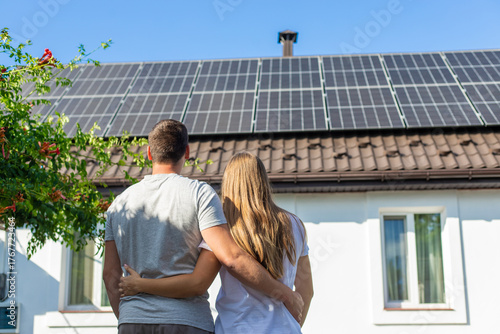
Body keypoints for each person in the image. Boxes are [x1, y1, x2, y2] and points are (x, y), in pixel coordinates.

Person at [103, 120, 303, 334]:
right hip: (186, 322)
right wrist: (285, 293)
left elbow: (110, 275)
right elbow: (231, 259)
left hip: (132, 321)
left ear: (149, 153)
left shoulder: (119, 205)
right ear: (186, 152)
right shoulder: (199, 194)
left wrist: (129, 315)